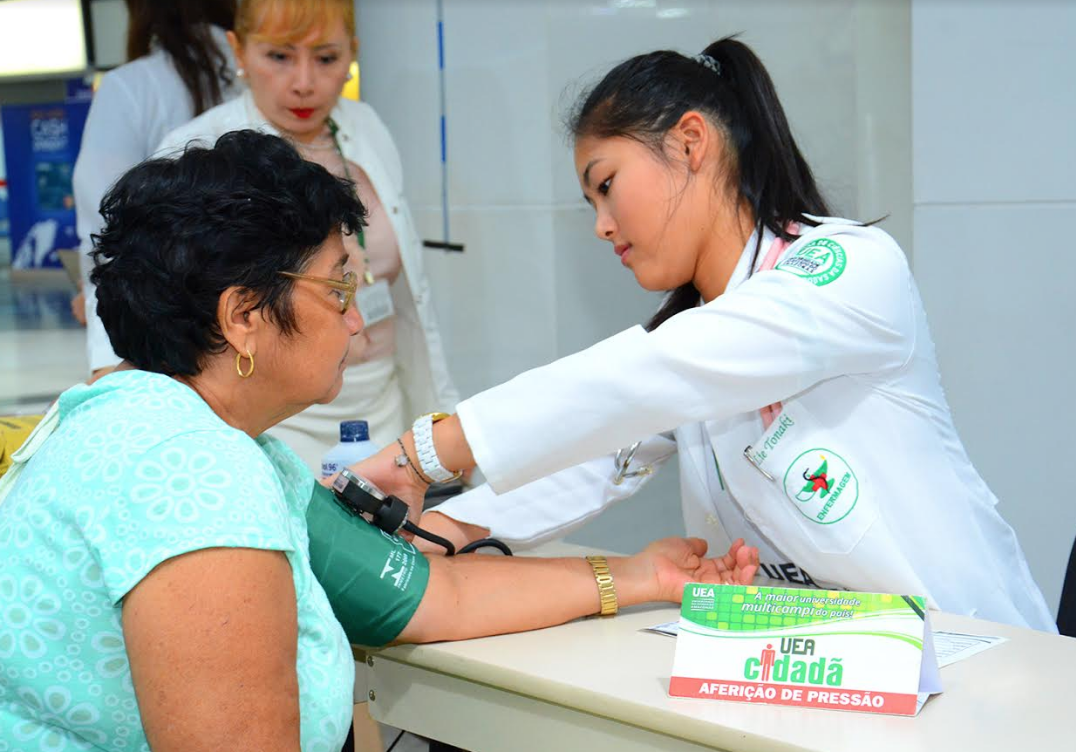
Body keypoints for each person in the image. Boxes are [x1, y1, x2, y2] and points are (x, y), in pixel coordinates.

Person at [0, 130, 758, 752]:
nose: (356, 323)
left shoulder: (155, 429)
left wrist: (638, 577)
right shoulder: (191, 474)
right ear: (242, 317)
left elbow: (434, 592)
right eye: (337, 290)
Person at [357, 37, 1057, 633]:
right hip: (827, 671)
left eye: (606, 186)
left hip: (971, 655)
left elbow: (655, 375)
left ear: (691, 143)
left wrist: (428, 451)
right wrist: (445, 530)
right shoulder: (699, 331)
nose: (601, 223)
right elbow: (597, 454)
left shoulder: (846, 271)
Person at [156, 0, 457, 467]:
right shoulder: (196, 151)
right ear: (239, 50)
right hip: (271, 419)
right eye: (279, 56)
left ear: (352, 54)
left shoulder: (367, 128)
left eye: (326, 58)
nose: (303, 82)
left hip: (382, 404)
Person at [74, 0, 240, 381]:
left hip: (168, 331)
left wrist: (105, 358)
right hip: (257, 322)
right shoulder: (259, 70)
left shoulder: (131, 87)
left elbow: (105, 232)